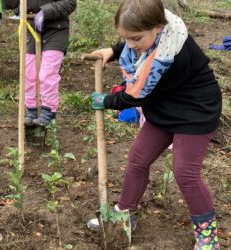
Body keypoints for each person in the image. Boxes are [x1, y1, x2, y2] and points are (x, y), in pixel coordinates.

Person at [87, 0, 222, 249]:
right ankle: (125, 212)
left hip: (195, 110)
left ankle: (208, 236)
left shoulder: (172, 57)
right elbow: (135, 39)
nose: (131, 45)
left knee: (185, 174)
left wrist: (107, 100)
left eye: (134, 39)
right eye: (124, 38)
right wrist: (113, 51)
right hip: (166, 106)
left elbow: (139, 95)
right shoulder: (155, 32)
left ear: (158, 27)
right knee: (138, 159)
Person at [2, 0, 77, 127]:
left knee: (47, 73)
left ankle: (48, 110)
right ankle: (31, 109)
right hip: (31, 29)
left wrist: (45, 12)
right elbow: (9, 4)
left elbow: (70, 3)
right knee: (28, 73)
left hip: (56, 30)